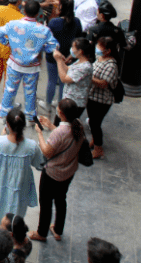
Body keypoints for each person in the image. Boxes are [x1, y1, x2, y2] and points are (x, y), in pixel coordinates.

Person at [0, 108, 44, 226]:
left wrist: (1, 136)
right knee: (13, 221)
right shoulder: (31, 146)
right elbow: (39, 164)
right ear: (24, 126)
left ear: (7, 124)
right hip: (18, 191)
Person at [31, 98, 86, 242]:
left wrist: (40, 133)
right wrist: (50, 125)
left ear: (60, 112)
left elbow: (47, 152)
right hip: (69, 172)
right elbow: (66, 138)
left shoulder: (59, 133)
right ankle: (57, 229)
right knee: (61, 200)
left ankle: (41, 233)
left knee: (46, 203)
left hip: (53, 174)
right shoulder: (78, 125)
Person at [0, 0, 58, 120]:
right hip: (32, 67)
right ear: (38, 12)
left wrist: (8, 43)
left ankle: (3, 113)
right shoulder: (44, 30)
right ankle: (30, 117)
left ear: (24, 11)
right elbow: (54, 46)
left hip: (14, 64)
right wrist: (41, 48)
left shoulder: (13, 24)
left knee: (10, 89)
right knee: (30, 92)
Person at [87, 36, 120, 160]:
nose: (97, 48)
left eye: (100, 47)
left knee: (95, 124)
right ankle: (95, 141)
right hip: (92, 96)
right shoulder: (100, 58)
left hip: (101, 100)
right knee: (93, 121)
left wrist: (89, 77)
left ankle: (98, 149)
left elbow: (104, 83)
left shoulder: (111, 65)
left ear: (108, 50)